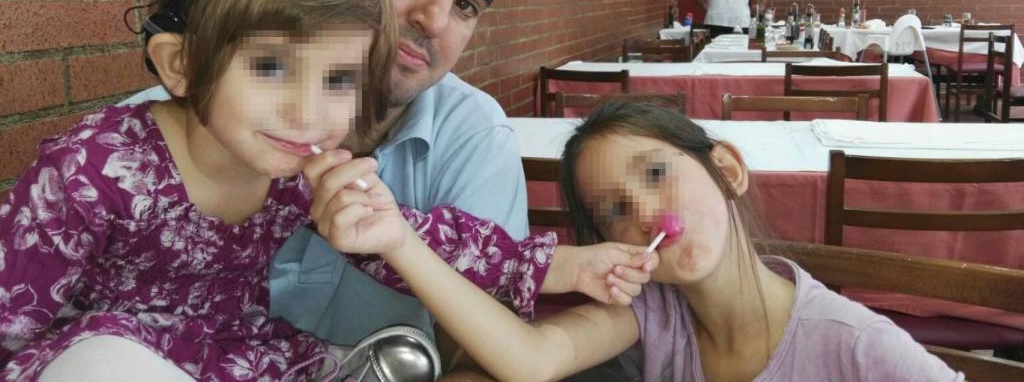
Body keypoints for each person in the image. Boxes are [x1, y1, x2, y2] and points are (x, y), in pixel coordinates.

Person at [0, 0, 654, 381]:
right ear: (181, 65)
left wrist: (561, 265)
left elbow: (408, 235)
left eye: (338, 78)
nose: (308, 111)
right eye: (270, 67)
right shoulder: (92, 169)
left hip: (238, 359)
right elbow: (12, 315)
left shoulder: (297, 173)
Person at [121, 0, 533, 367]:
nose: (435, 19)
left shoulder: (474, 136)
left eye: (467, 4)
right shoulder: (150, 141)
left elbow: (479, 357)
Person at [320, 99, 964, 382]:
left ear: (728, 169)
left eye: (657, 174)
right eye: (614, 213)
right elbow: (529, 361)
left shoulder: (856, 345)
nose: (646, 210)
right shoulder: (652, 312)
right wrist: (398, 240)